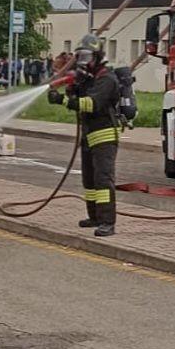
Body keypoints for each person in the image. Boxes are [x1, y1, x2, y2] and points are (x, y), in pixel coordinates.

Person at [47, 33, 121, 236]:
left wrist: (62, 100)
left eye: (87, 57)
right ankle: (94, 217)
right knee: (89, 181)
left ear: (97, 57)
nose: (83, 62)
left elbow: (91, 104)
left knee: (103, 181)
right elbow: (78, 97)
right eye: (80, 57)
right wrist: (71, 87)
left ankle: (107, 222)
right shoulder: (89, 79)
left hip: (104, 135)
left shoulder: (107, 79)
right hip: (89, 136)